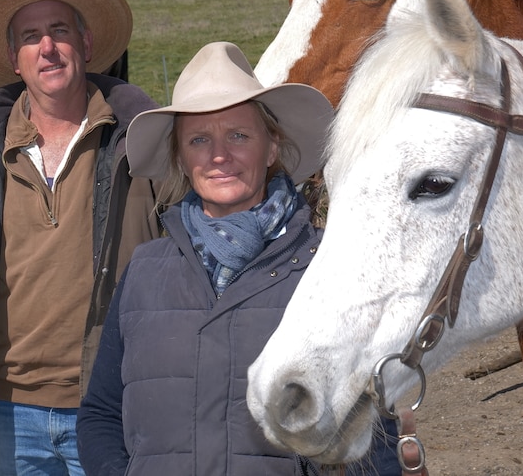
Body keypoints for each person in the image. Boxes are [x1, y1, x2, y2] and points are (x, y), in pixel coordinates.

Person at [76, 41, 403, 476]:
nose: (218, 155)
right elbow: (100, 414)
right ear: (180, 158)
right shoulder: (144, 270)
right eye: (198, 139)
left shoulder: (328, 268)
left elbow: (371, 435)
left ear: (271, 149)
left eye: (238, 135)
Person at [0, 0, 161, 474]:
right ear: (14, 59)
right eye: (31, 36)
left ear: (84, 43)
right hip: (1, 414)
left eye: (60, 30)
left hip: (114, 408)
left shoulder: (144, 147)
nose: (48, 47)